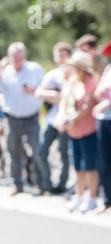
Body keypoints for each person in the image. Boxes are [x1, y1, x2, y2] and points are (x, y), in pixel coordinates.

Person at [0, 42, 46, 196]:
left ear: (24, 56)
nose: (17, 61)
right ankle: (17, 183)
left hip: (32, 117)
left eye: (20, 58)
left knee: (37, 150)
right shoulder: (5, 71)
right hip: (12, 118)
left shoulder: (35, 69)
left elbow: (46, 88)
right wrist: (0, 69)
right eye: (14, 58)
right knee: (13, 152)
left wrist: (32, 90)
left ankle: (41, 183)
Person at [58, 51, 99, 213]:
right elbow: (65, 100)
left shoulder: (91, 82)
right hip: (73, 131)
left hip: (88, 129)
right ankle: (79, 193)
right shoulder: (73, 81)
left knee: (89, 165)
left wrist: (72, 119)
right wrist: (63, 118)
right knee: (77, 165)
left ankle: (92, 197)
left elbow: (86, 106)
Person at [35, 42, 72, 194]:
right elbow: (39, 92)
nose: (60, 59)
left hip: (67, 120)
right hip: (52, 119)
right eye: (58, 55)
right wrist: (56, 95)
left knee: (64, 153)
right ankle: (47, 183)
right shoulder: (53, 74)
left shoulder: (75, 73)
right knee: (42, 150)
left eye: (63, 55)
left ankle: (62, 184)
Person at [92, 42, 111, 214]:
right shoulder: (108, 70)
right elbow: (98, 92)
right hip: (104, 119)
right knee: (105, 160)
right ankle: (107, 201)